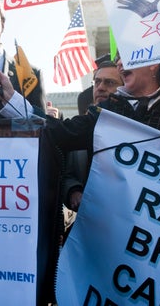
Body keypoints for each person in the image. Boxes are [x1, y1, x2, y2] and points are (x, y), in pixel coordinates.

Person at [61, 61, 123, 213]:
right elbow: (65, 175)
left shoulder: (133, 128)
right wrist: (73, 192)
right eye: (97, 82)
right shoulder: (78, 130)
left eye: (109, 82)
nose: (100, 87)